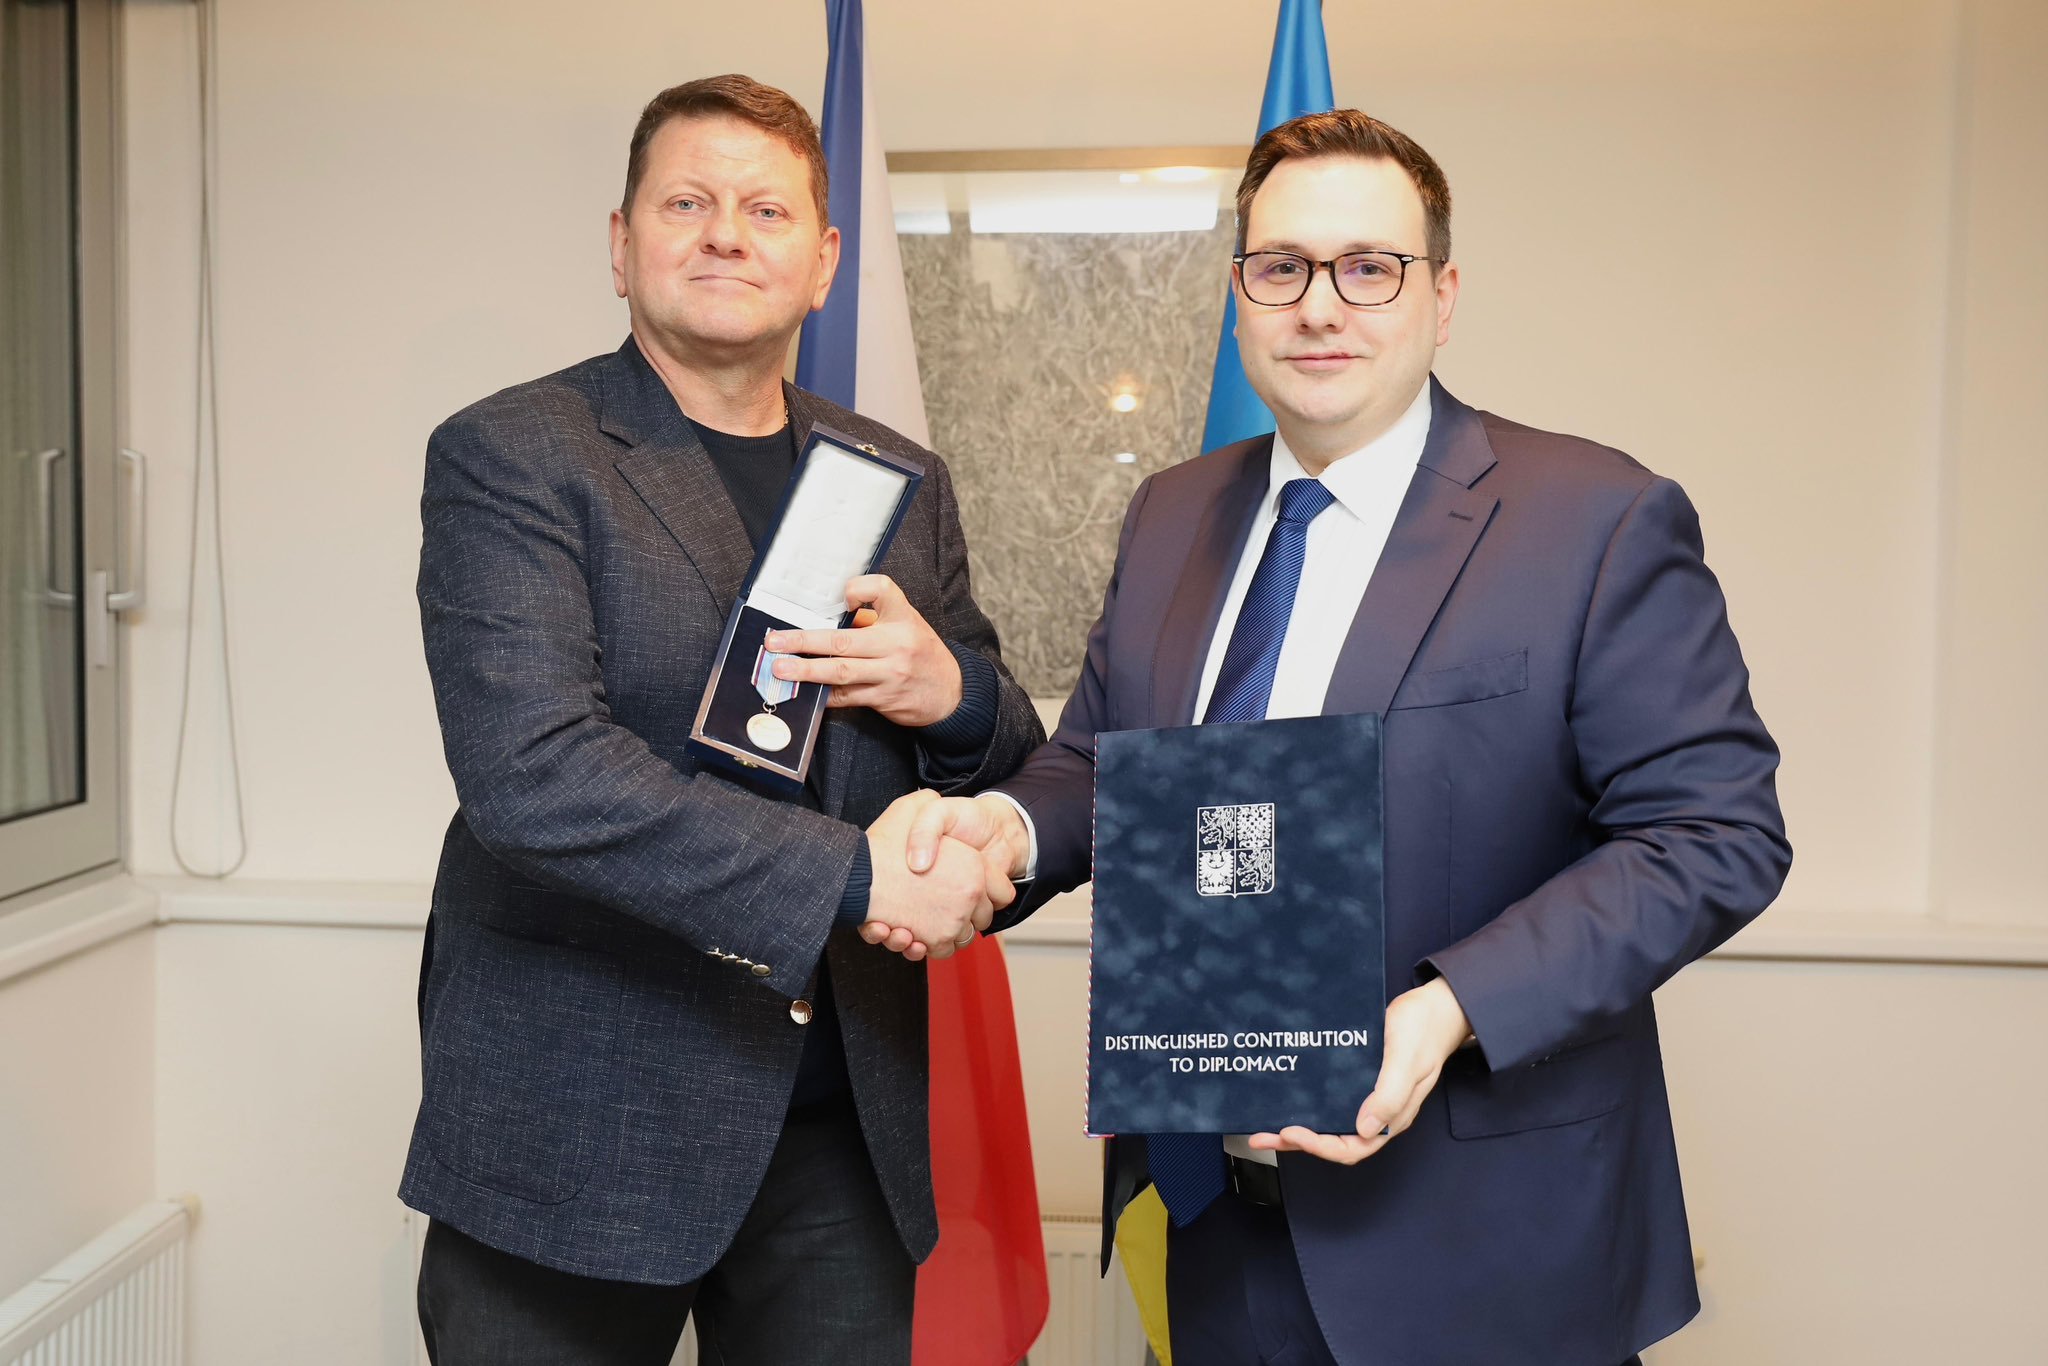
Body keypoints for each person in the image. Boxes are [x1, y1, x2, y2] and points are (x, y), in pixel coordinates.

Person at [874, 109, 1792, 1365]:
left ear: (1441, 297)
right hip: (1209, 1221)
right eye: (1281, 268)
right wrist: (1003, 829)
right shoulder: (1171, 514)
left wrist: (1449, 1007)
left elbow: (1712, 833)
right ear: (1238, 297)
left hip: (1481, 1247)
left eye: (1369, 267)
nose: (1319, 306)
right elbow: (1098, 760)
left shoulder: (1593, 517)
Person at [400, 74, 1040, 1366]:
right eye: (686, 203)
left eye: (766, 209)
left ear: (825, 262)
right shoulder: (517, 452)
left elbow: (1004, 754)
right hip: (578, 1129)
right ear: (622, 243)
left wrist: (953, 694)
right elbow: (536, 777)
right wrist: (854, 876)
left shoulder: (897, 478)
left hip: (840, 1137)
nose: (726, 235)